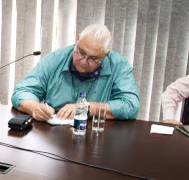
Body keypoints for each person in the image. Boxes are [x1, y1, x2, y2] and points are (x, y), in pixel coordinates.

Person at [11, 24, 140, 121]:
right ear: (77, 40)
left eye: (93, 58)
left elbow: (131, 105)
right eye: (81, 52)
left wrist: (87, 108)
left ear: (105, 55)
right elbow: (22, 92)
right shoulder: (56, 59)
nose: (84, 61)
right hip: (54, 138)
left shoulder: (119, 66)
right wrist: (34, 107)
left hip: (96, 136)